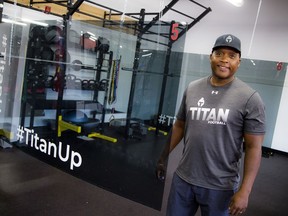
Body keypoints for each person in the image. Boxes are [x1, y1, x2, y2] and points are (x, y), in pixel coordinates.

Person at [156, 34, 266, 216]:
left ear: (239, 61)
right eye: (219, 53)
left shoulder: (250, 98)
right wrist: (163, 157)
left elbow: (254, 147)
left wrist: (245, 192)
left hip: (220, 187)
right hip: (184, 179)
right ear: (211, 56)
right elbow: (179, 126)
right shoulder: (192, 88)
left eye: (231, 56)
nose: (224, 60)